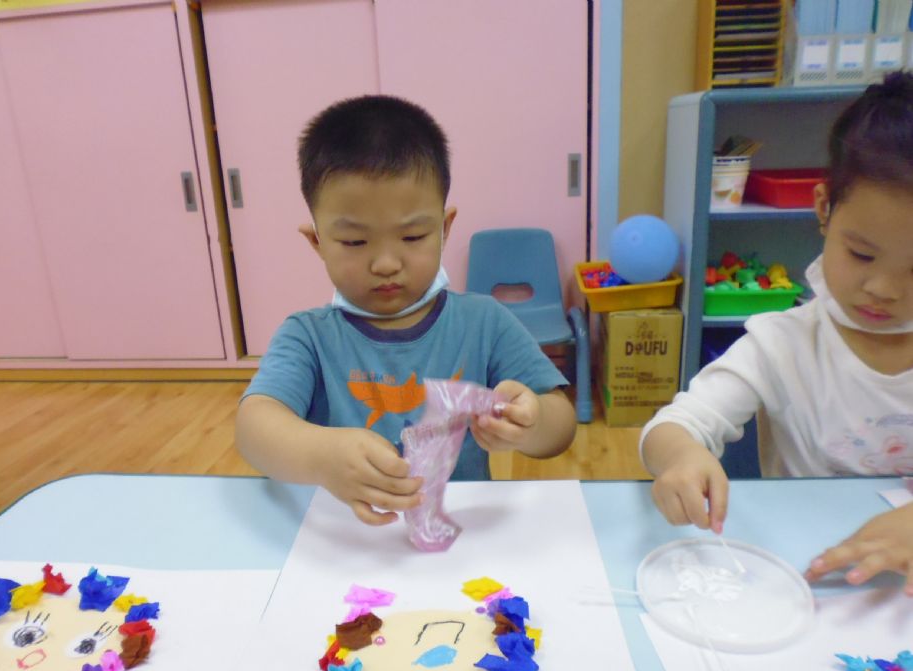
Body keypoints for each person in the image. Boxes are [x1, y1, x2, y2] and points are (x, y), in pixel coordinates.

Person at [235, 95, 576, 526]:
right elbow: (253, 427)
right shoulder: (308, 336)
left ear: (445, 227)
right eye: (355, 242)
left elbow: (561, 424)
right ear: (317, 241)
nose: (385, 264)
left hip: (455, 534)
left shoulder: (484, 323)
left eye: (412, 237)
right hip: (347, 535)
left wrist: (533, 423)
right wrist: (320, 456)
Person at [641, 71, 913, 594]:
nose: (883, 289)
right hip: (809, 576)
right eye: (862, 254)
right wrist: (681, 457)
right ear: (823, 209)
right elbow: (676, 425)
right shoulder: (783, 344)